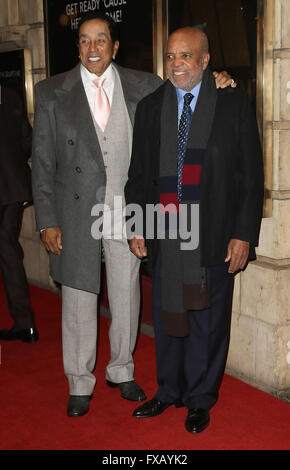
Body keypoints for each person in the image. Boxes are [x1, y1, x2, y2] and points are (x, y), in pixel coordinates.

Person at [32, 12, 235, 418]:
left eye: (101, 40)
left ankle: (121, 369)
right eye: (85, 41)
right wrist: (46, 219)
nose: (93, 49)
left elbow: (187, 90)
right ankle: (79, 380)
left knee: (127, 294)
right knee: (79, 295)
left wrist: (218, 79)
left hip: (127, 210)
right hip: (76, 212)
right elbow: (42, 162)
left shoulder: (145, 86)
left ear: (115, 46)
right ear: (78, 47)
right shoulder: (52, 91)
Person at [125, 27, 263, 433]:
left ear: (206, 61)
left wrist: (244, 234)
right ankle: (168, 391)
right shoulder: (151, 107)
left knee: (208, 320)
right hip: (166, 230)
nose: (176, 63)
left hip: (217, 234)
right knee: (168, 315)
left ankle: (200, 399)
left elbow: (250, 176)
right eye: (170, 56)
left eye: (186, 55)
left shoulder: (232, 102)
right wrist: (136, 226)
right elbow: (138, 177)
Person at [0, 84, 38, 343]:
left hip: (9, 188)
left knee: (7, 251)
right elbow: (28, 141)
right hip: (13, 188)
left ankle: (25, 323)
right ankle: (25, 323)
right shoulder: (9, 94)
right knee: (8, 251)